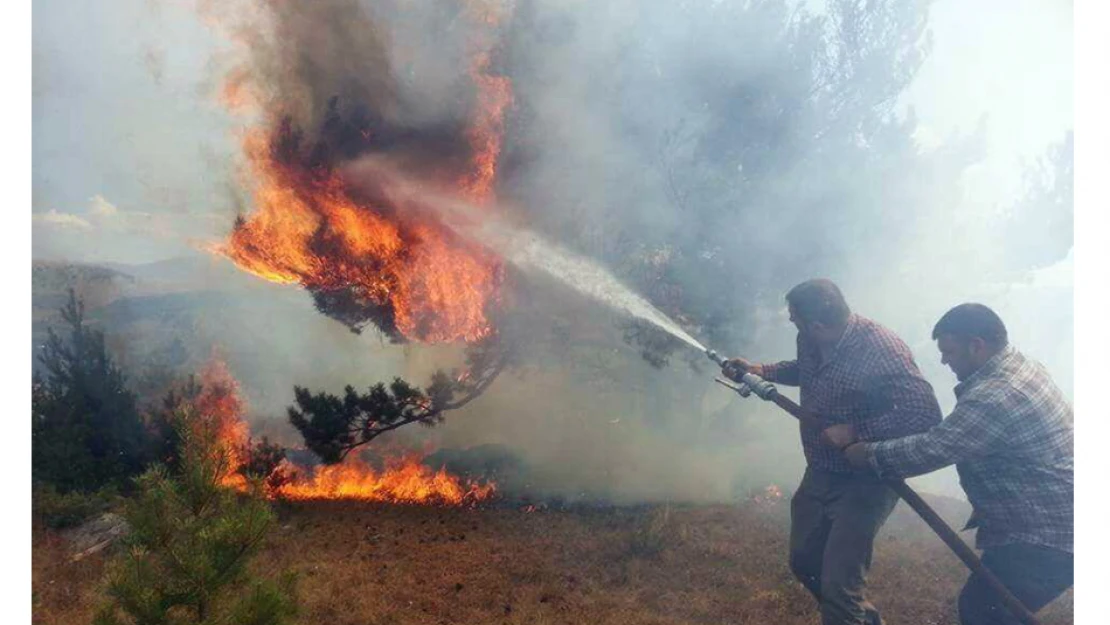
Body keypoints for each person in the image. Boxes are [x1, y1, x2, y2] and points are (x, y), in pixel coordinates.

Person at [724, 279, 942, 625]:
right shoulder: (810, 339)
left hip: (866, 478)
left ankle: (846, 615)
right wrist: (760, 371)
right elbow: (805, 371)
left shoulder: (880, 347)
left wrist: (857, 432)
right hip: (821, 470)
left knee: (840, 586)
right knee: (804, 561)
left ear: (818, 324)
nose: (792, 324)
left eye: (794, 319)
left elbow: (924, 413)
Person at [843, 303, 1073, 624]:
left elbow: (937, 447)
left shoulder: (997, 395)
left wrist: (867, 453)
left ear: (976, 346)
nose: (943, 360)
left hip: (1045, 536)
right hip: (1054, 522)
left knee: (985, 612)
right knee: (992, 610)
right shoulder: (1021, 365)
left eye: (949, 351)